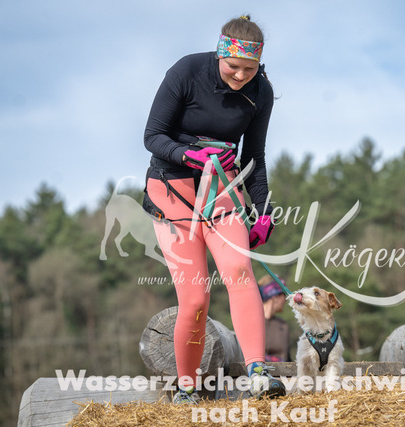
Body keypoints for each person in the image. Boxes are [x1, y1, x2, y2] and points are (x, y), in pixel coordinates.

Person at [142, 15, 285, 404]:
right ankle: (187, 388)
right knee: (196, 300)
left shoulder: (260, 92)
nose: (240, 76)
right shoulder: (187, 71)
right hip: (172, 191)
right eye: (233, 66)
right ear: (220, 54)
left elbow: (253, 157)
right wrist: (189, 154)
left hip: (222, 189)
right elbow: (152, 136)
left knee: (239, 271)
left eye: (249, 69)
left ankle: (258, 373)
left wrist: (264, 211)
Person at [258, 275, 291, 363]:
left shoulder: (283, 325)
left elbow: (288, 359)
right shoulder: (252, 323)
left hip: (283, 371)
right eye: (284, 294)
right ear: (274, 296)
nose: (286, 299)